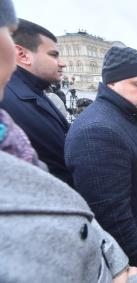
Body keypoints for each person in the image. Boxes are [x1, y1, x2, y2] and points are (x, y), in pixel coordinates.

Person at [0, 2, 137, 282]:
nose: (62, 62)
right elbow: (109, 209)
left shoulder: (30, 101)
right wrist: (135, 261)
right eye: (54, 54)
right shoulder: (98, 128)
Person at [65, 46, 137, 279]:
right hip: (134, 259)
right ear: (112, 82)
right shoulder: (98, 131)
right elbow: (111, 217)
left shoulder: (126, 116)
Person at [0, 18, 73, 186]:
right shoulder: (7, 100)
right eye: (53, 54)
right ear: (23, 55)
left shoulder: (33, 91)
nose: (62, 63)